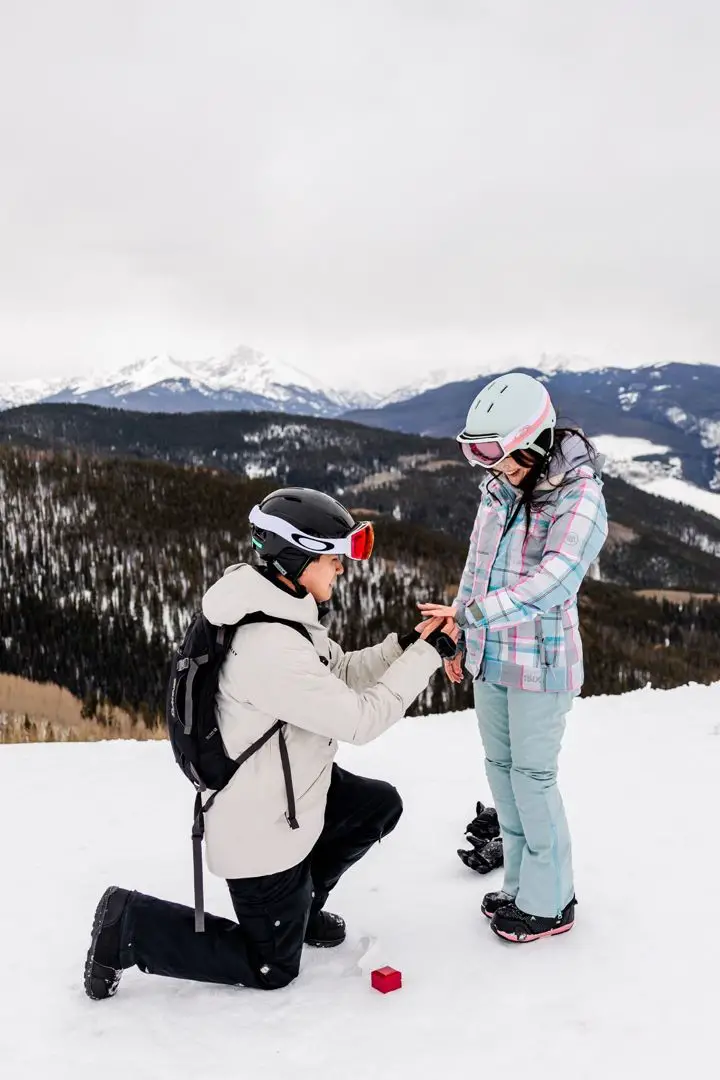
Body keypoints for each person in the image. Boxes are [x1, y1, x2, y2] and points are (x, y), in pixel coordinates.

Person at [84, 487, 458, 999]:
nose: (341, 569)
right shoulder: (268, 646)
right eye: (333, 558)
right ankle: (129, 925)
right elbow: (361, 720)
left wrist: (404, 645)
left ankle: (299, 911)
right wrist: (432, 654)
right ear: (297, 557)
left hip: (292, 792)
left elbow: (338, 672)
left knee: (376, 806)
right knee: (271, 968)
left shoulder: (278, 607)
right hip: (260, 831)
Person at [419, 372, 608, 943]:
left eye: (500, 457)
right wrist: (462, 633)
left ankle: (552, 902)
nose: (493, 469)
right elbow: (478, 569)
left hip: (542, 665)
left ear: (535, 440)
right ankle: (521, 888)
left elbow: (554, 582)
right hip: (493, 658)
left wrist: (473, 617)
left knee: (533, 779)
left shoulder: (580, 497)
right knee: (502, 777)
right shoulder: (501, 488)